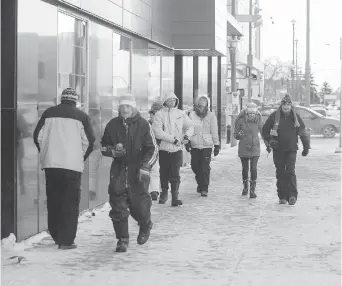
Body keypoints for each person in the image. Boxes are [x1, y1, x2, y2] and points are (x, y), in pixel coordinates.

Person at [33, 88, 95, 250]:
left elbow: (37, 137)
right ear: (75, 100)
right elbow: (89, 142)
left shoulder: (49, 113)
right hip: (72, 166)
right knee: (69, 202)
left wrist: (47, 153)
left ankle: (55, 234)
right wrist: (78, 157)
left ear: (62, 99)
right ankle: (66, 240)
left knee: (54, 200)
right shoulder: (82, 117)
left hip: (51, 165)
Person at [101, 94, 158, 253]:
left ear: (133, 108)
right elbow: (104, 146)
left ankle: (145, 224)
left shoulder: (143, 125)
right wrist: (113, 152)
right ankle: (122, 239)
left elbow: (152, 149)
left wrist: (145, 166)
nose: (125, 109)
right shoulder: (112, 125)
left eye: (128, 107)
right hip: (118, 172)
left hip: (138, 172)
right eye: (122, 107)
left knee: (139, 207)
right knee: (118, 208)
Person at [262, 94, 310, 205]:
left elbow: (303, 133)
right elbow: (265, 131)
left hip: (291, 149)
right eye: (284, 104)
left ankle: (292, 196)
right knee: (280, 172)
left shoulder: (295, 117)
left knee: (290, 171)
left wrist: (306, 147)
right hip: (278, 149)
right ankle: (282, 196)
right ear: (281, 105)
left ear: (291, 106)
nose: (286, 107)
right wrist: (270, 141)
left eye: (288, 104)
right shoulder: (274, 116)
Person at [152, 92, 194, 206]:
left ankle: (175, 196)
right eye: (170, 100)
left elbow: (190, 126)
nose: (172, 102)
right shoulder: (159, 115)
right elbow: (157, 132)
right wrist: (172, 139)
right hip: (164, 148)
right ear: (165, 101)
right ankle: (164, 193)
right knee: (164, 172)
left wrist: (187, 137)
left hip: (177, 149)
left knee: (175, 172)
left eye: (174, 100)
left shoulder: (181, 114)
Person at [186, 95, 219, 197]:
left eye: (203, 106)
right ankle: (200, 183)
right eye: (199, 106)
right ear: (197, 105)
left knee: (204, 167)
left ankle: (204, 188)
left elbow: (214, 131)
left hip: (207, 145)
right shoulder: (191, 115)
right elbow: (188, 128)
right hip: (195, 144)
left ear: (207, 106)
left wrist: (216, 144)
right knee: (195, 166)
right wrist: (187, 141)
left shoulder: (211, 116)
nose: (201, 108)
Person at [233, 102, 263, 198]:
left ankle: (252, 190)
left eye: (253, 113)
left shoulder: (258, 120)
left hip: (255, 147)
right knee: (245, 168)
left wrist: (268, 144)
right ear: (246, 113)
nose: (251, 115)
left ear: (256, 113)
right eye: (250, 113)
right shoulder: (240, 120)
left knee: (253, 168)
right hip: (243, 147)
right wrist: (239, 135)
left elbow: (263, 132)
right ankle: (245, 186)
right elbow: (235, 135)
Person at [148, 100, 164, 201]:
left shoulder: (147, 122)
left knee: (154, 170)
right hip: (157, 148)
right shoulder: (162, 123)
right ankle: (155, 190)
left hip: (152, 149)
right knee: (156, 170)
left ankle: (154, 190)